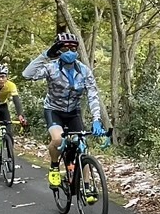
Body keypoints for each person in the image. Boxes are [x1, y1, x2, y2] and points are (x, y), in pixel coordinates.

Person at [23, 30, 106, 188]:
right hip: (54, 110)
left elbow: (93, 95)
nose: (69, 51)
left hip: (73, 112)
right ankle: (54, 166)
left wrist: (97, 119)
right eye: (64, 48)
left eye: (73, 48)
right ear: (58, 50)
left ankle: (87, 186)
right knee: (58, 139)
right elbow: (27, 75)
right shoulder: (51, 68)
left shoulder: (84, 70)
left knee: (83, 147)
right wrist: (46, 55)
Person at [0, 63, 28, 133]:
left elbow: (16, 100)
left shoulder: (11, 85)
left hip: (3, 106)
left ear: (7, 77)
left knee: (8, 130)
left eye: (3, 77)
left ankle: (9, 142)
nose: (1, 79)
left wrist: (20, 115)